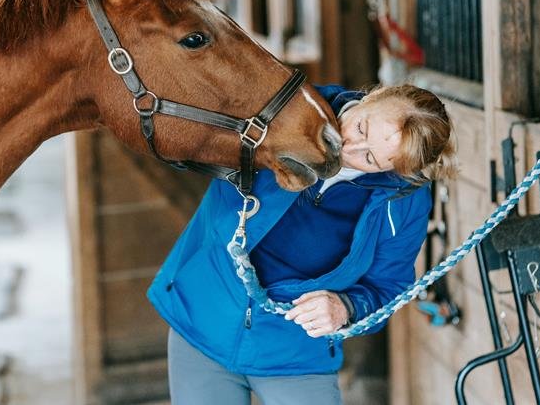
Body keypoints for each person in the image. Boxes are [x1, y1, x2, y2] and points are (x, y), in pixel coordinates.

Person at [147, 83, 457, 405]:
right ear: (370, 97)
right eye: (361, 127)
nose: (349, 150)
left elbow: (389, 286)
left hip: (296, 352)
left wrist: (345, 308)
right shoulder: (286, 105)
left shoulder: (404, 201)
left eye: (370, 158)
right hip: (205, 317)